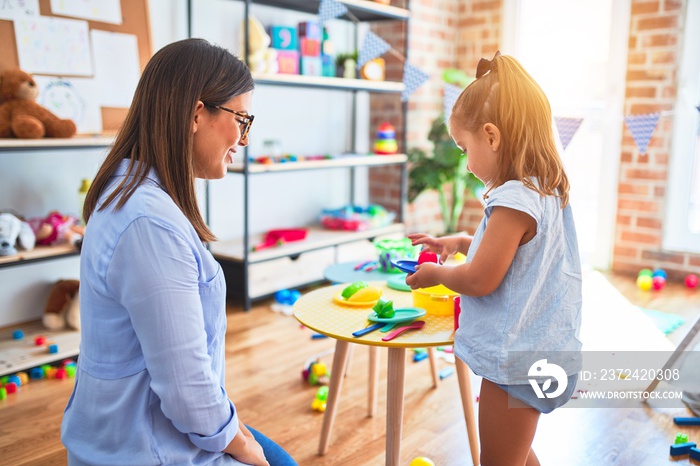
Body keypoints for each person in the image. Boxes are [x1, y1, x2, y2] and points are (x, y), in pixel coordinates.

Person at [61, 38, 297, 466]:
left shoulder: (130, 190)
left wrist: (232, 425)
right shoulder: (149, 225)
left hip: (140, 427)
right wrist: (242, 446)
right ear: (195, 113)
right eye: (242, 119)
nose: (244, 139)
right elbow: (187, 392)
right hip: (148, 447)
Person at [405, 52, 582, 466]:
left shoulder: (514, 199)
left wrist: (437, 273)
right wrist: (463, 240)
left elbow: (483, 278)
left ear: (491, 136)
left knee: (499, 461)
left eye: (464, 148)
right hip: (545, 352)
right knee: (515, 454)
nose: (465, 164)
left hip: (517, 362)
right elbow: (521, 257)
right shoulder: (544, 191)